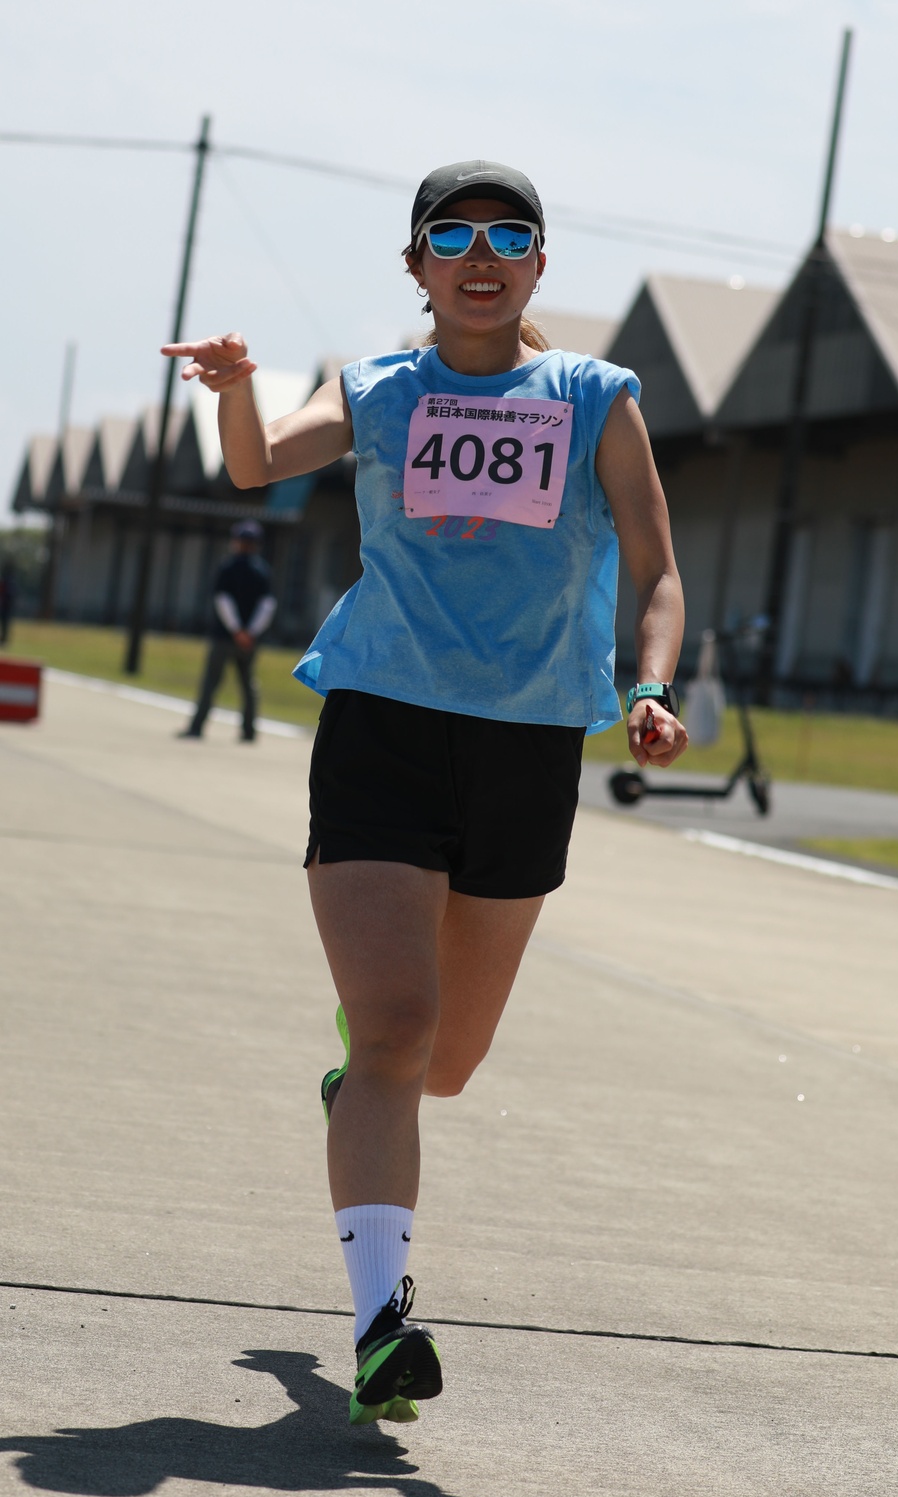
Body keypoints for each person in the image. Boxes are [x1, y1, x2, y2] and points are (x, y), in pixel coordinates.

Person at [163, 159, 688, 1428]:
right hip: (382, 726)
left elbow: (658, 570)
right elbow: (253, 467)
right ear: (416, 268)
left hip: (526, 749)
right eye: (451, 236)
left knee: (438, 1063)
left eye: (509, 234)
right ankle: (380, 1323)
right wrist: (238, 392)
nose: (481, 253)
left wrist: (650, 687)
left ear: (540, 265)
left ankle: (361, 1081)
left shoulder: (594, 397)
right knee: (398, 1022)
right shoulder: (382, 389)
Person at [179, 519, 276, 741]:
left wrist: (236, 630)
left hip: (225, 636)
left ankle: (197, 727)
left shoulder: (228, 567)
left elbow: (223, 601)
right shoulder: (262, 571)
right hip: (250, 640)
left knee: (211, 682)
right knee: (248, 684)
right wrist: (250, 632)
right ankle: (249, 731)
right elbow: (267, 606)